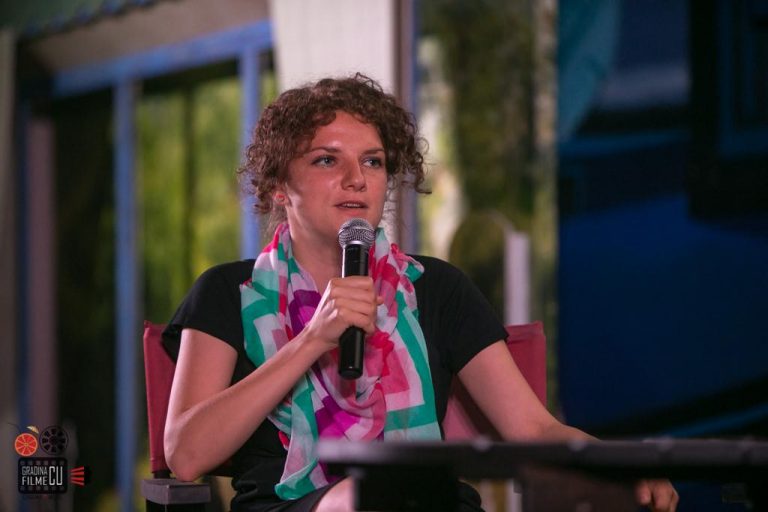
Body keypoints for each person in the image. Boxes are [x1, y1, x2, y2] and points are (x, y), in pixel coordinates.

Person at [162, 74, 678, 512]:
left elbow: (534, 428)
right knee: (366, 498)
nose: (356, 179)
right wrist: (313, 340)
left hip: (427, 501)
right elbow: (186, 455)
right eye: (326, 161)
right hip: (293, 505)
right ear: (279, 185)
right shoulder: (228, 291)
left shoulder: (437, 288)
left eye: (373, 162)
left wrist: (617, 464)